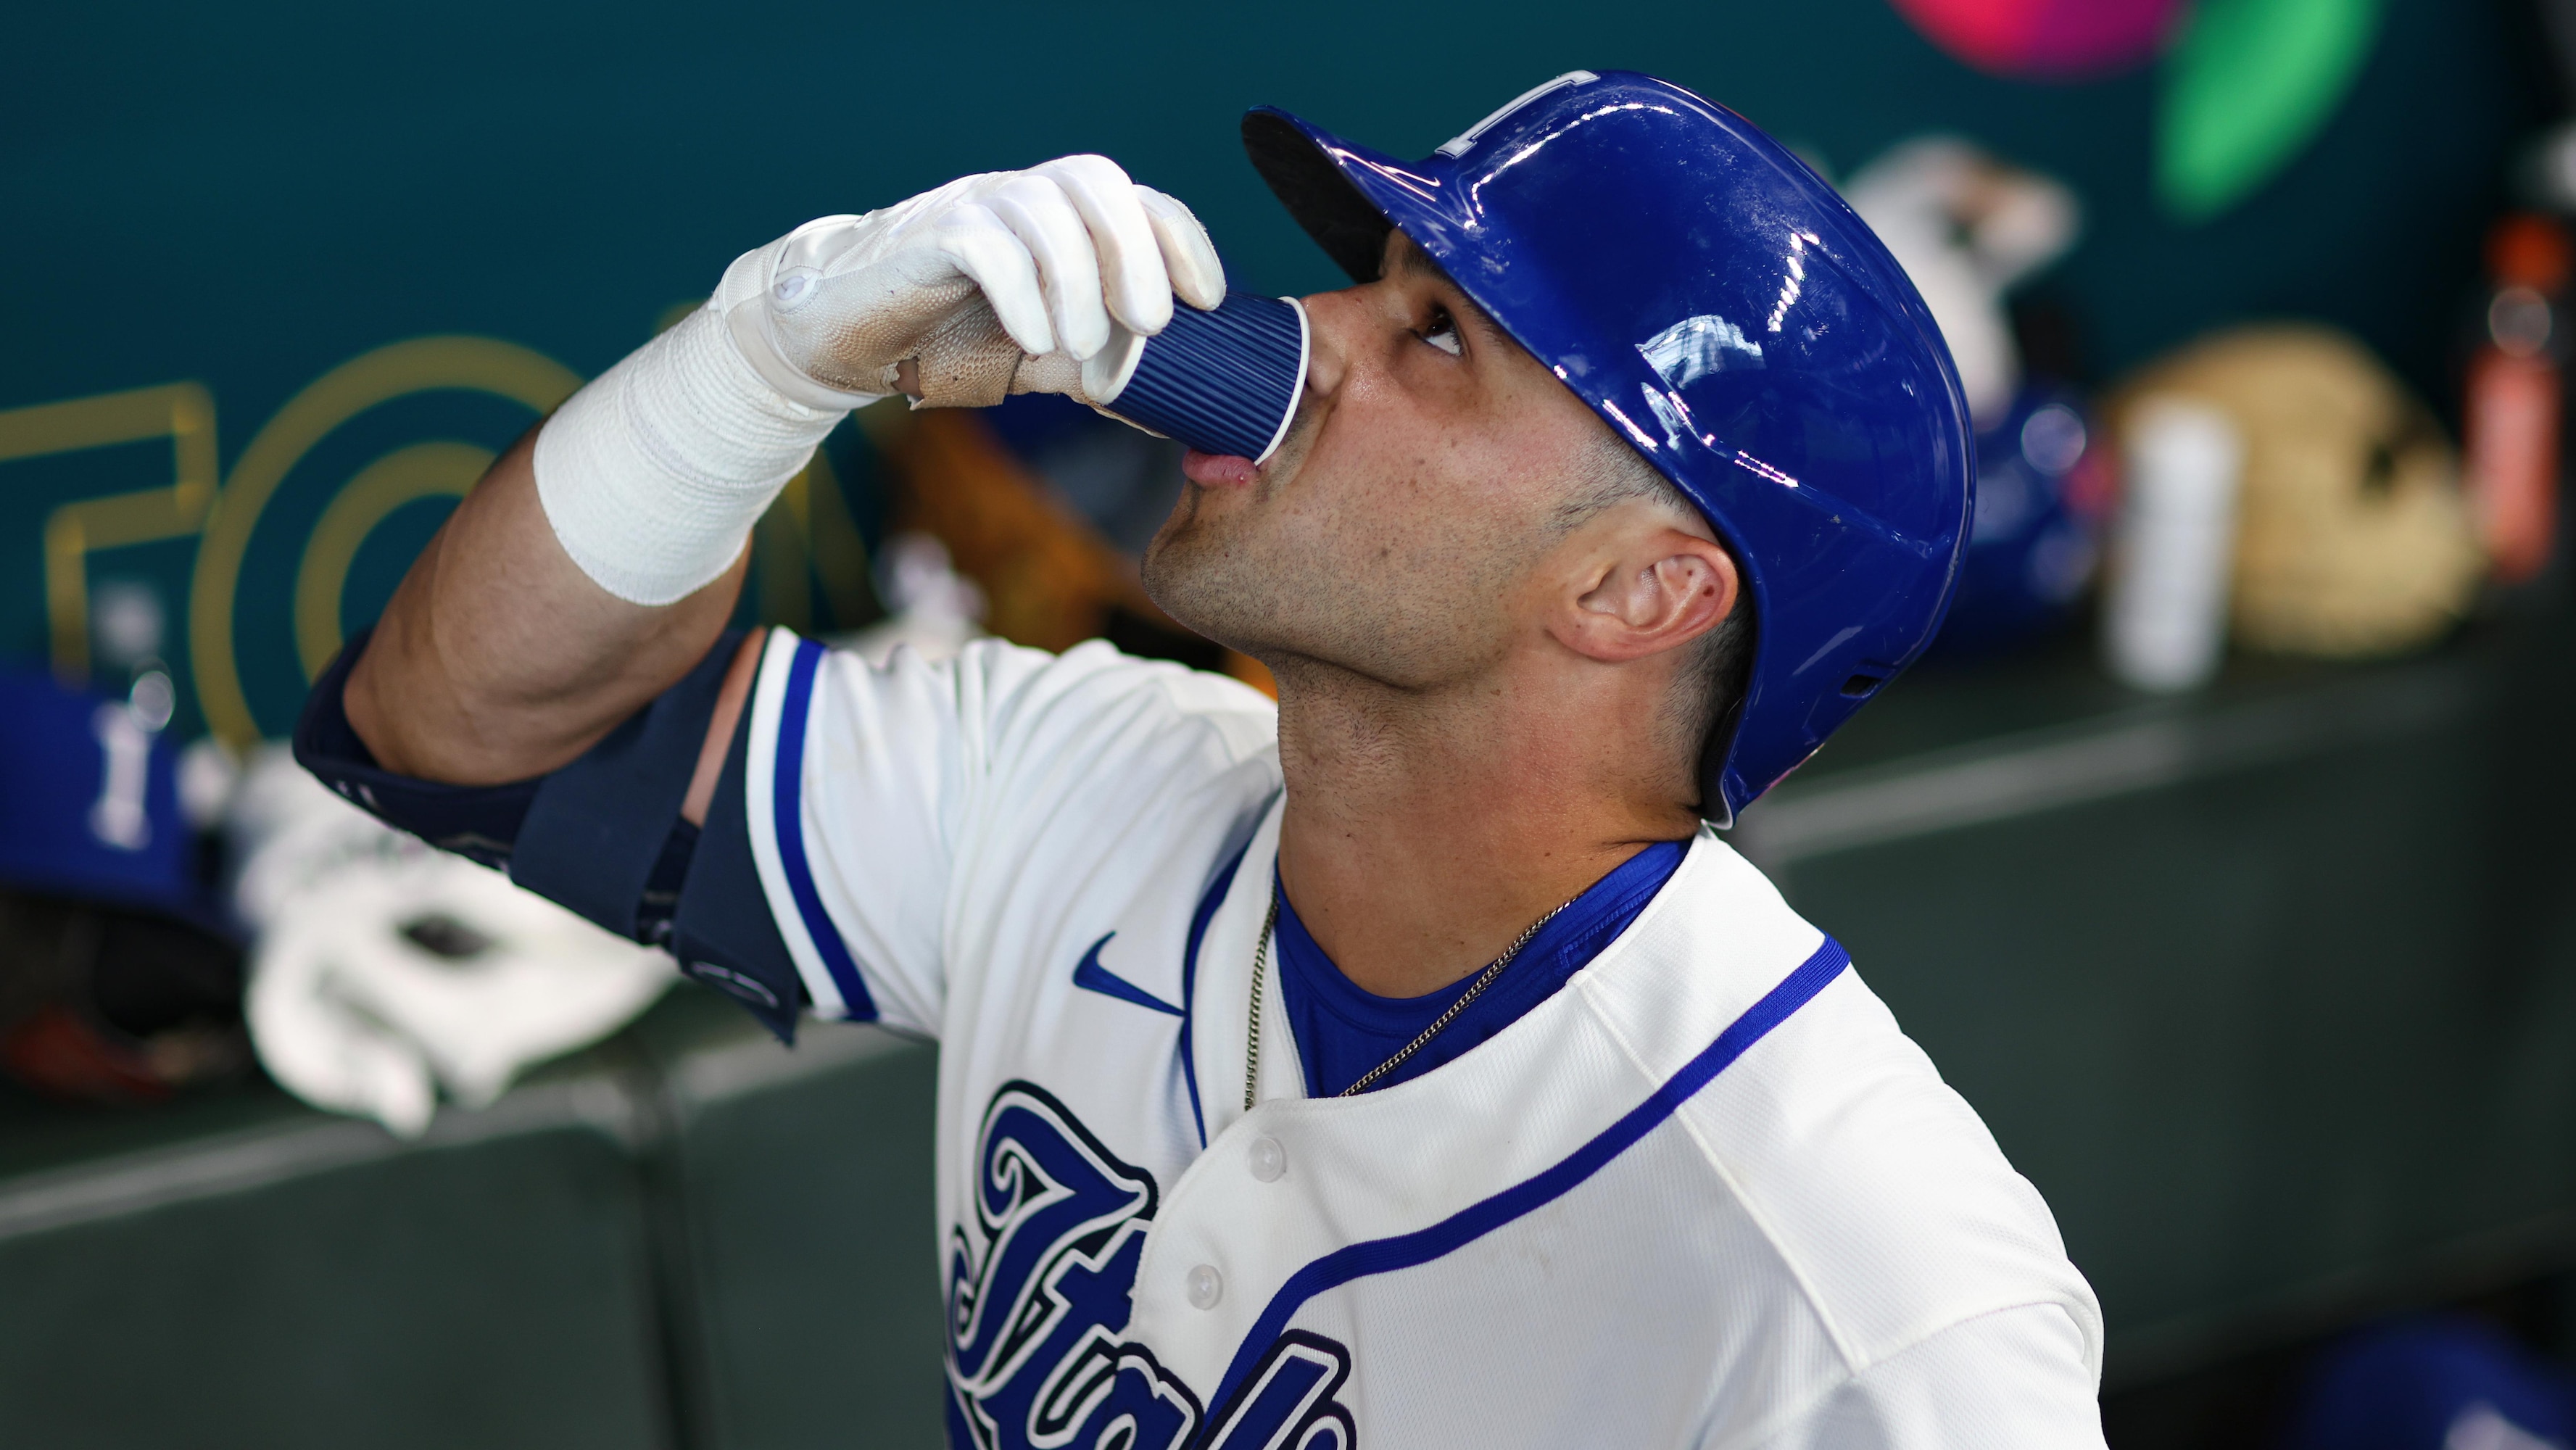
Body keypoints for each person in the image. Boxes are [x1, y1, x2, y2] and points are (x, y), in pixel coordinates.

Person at [299, 70, 2104, 1448]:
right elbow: (457, 731)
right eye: (1364, 286)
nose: (1308, 340)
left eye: (1434, 336)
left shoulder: (1874, 1309)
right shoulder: (1079, 774)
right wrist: (761, 360)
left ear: (1639, 587)